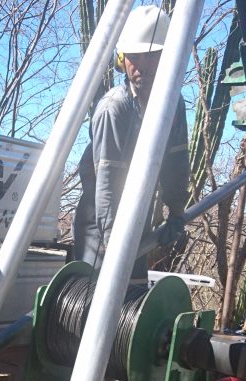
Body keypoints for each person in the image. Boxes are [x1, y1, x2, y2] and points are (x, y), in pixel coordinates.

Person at [71, 4, 190, 277]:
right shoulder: (113, 109)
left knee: (131, 299)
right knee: (95, 303)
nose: (142, 66)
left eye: (152, 56)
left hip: (138, 215)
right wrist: (114, 242)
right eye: (134, 56)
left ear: (168, 57)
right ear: (122, 59)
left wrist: (176, 210)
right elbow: (107, 182)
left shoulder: (174, 104)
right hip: (99, 220)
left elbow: (176, 161)